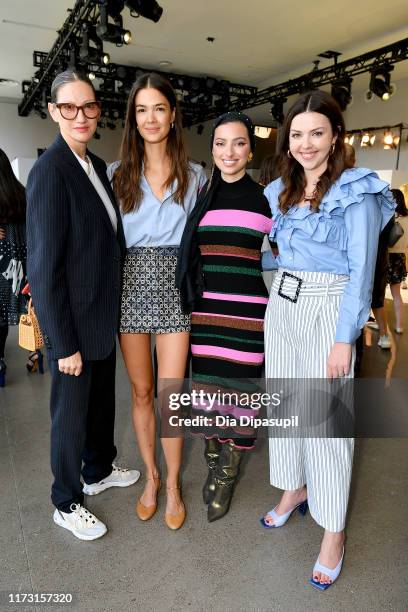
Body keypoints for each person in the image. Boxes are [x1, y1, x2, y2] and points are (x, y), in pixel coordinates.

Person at [261, 90, 395, 589]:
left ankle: (333, 532)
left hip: (328, 308)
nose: (306, 143)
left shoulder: (357, 189)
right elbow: (275, 253)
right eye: (297, 134)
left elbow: (362, 270)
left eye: (317, 133)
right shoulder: (281, 190)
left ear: (335, 135)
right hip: (284, 306)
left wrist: (345, 338)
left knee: (328, 421)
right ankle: (294, 489)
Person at [26, 69, 140, 541]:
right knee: (69, 416)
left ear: (97, 111)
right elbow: (43, 267)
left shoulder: (92, 165)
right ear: (54, 112)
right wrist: (63, 341)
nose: (80, 115)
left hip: (101, 316)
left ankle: (98, 470)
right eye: (69, 107)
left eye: (88, 106)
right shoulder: (50, 171)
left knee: (98, 408)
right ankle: (66, 500)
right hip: (72, 326)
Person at [109, 73, 206, 530]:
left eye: (159, 109)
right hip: (129, 285)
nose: (151, 118)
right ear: (134, 117)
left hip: (174, 287)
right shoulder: (115, 174)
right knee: (142, 392)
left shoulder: (195, 175)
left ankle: (172, 485)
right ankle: (150, 477)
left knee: (170, 395)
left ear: (172, 116)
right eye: (142, 109)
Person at [177, 111, 272, 522]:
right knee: (209, 394)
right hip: (207, 314)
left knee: (243, 398)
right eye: (220, 143)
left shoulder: (267, 199)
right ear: (212, 148)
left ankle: (229, 473)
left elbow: (286, 254)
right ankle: (213, 456)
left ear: (250, 149)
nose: (229, 151)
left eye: (238, 143)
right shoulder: (203, 195)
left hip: (249, 316)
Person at [0, 148, 29, 386]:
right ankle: (34, 351)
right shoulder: (22, 194)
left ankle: (0, 361)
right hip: (21, 267)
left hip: (2, 268)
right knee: (25, 312)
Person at [388, 188, 408, 333]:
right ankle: (400, 326)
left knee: (379, 294)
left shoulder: (391, 218)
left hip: (387, 257)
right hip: (400, 257)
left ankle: (380, 323)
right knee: (396, 294)